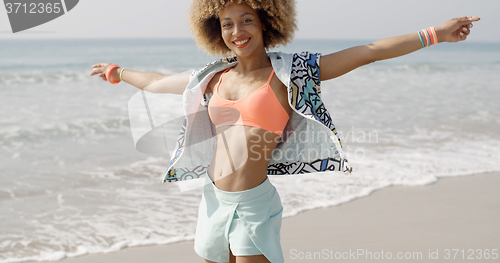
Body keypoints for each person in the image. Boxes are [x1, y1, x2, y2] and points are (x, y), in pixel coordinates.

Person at [89, 1, 479, 262]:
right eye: (227, 23)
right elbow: (157, 82)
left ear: (265, 24)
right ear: (216, 30)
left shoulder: (290, 73)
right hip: (211, 201)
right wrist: (118, 72)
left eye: (246, 20)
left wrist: (436, 34)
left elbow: (369, 51)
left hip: (253, 205)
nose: (237, 31)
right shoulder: (210, 78)